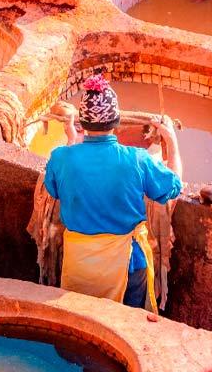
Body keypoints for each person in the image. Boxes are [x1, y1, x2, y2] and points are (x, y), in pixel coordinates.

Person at [43, 74, 183, 312]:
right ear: (116, 122)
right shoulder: (137, 159)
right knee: (124, 325)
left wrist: (71, 141)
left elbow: (54, 189)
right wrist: (172, 141)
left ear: (81, 123)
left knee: (80, 320)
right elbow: (174, 187)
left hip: (80, 264)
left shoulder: (61, 157)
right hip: (128, 264)